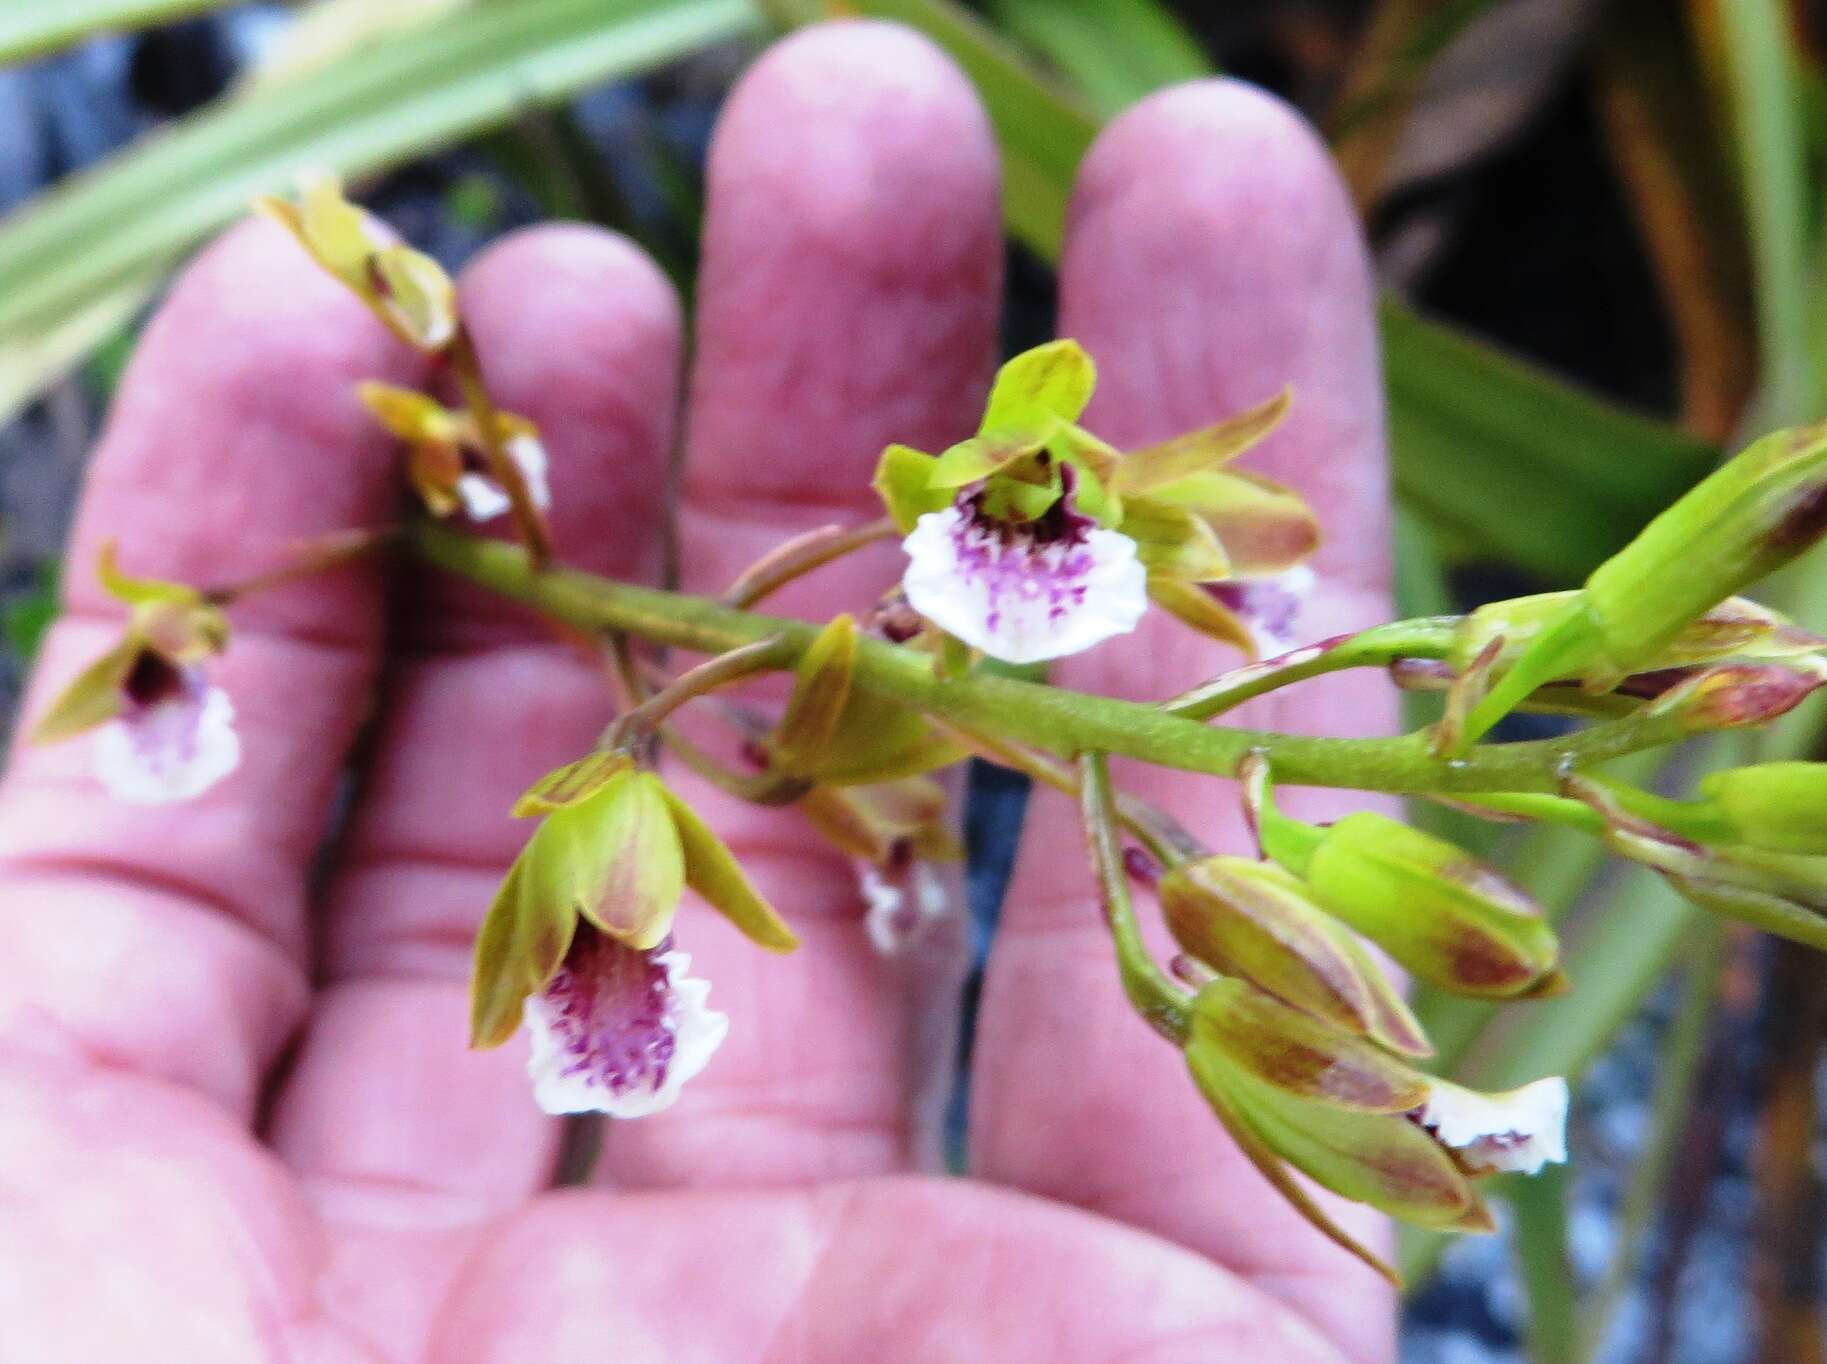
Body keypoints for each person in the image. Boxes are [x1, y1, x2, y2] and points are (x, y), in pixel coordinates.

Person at [0, 22, 1400, 1362]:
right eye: (1024, 483)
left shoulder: (968, 556)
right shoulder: (810, 655)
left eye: (1050, 492)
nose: (1038, 490)